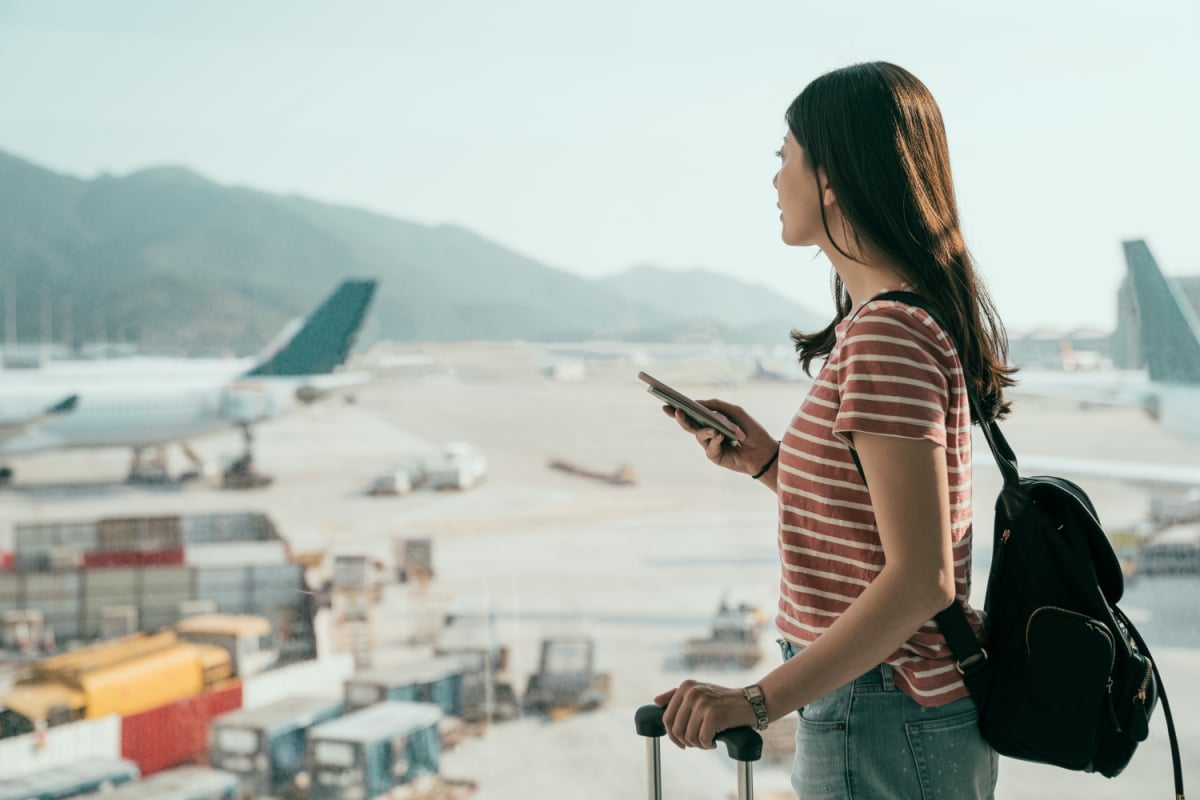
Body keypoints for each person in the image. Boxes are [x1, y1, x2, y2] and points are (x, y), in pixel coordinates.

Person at [653, 62, 1013, 799]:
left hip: (881, 710)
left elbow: (920, 579)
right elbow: (882, 531)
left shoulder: (886, 333)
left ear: (832, 178)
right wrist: (769, 465)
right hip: (879, 709)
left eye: (784, 157)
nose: (774, 179)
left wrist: (755, 701)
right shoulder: (888, 323)